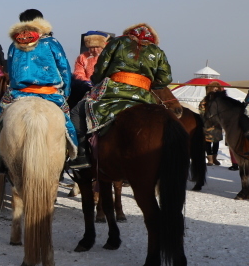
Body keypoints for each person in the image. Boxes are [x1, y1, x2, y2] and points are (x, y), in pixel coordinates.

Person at [68, 22, 172, 168]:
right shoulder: (157, 50)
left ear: (128, 33)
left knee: (77, 111)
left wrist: (97, 80)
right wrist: (146, 83)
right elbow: (166, 78)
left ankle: (81, 155)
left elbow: (100, 69)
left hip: (112, 92)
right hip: (144, 96)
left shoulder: (117, 42)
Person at [0, 9, 76, 167]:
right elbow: (64, 68)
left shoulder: (14, 44)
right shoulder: (52, 42)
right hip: (50, 93)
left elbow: (10, 71)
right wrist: (65, 93)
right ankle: (72, 156)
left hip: (18, 93)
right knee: (67, 124)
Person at [71, 32, 108, 105]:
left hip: (104, 87)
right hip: (86, 88)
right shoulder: (82, 57)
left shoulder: (106, 57)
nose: (95, 50)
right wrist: (87, 82)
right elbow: (78, 73)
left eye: (97, 47)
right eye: (92, 47)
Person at [201, 82, 225, 165]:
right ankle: (210, 159)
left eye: (217, 88)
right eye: (214, 87)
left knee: (216, 141)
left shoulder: (220, 100)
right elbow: (201, 110)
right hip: (208, 124)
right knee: (208, 142)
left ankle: (215, 158)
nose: (216, 89)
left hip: (217, 124)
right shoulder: (205, 100)